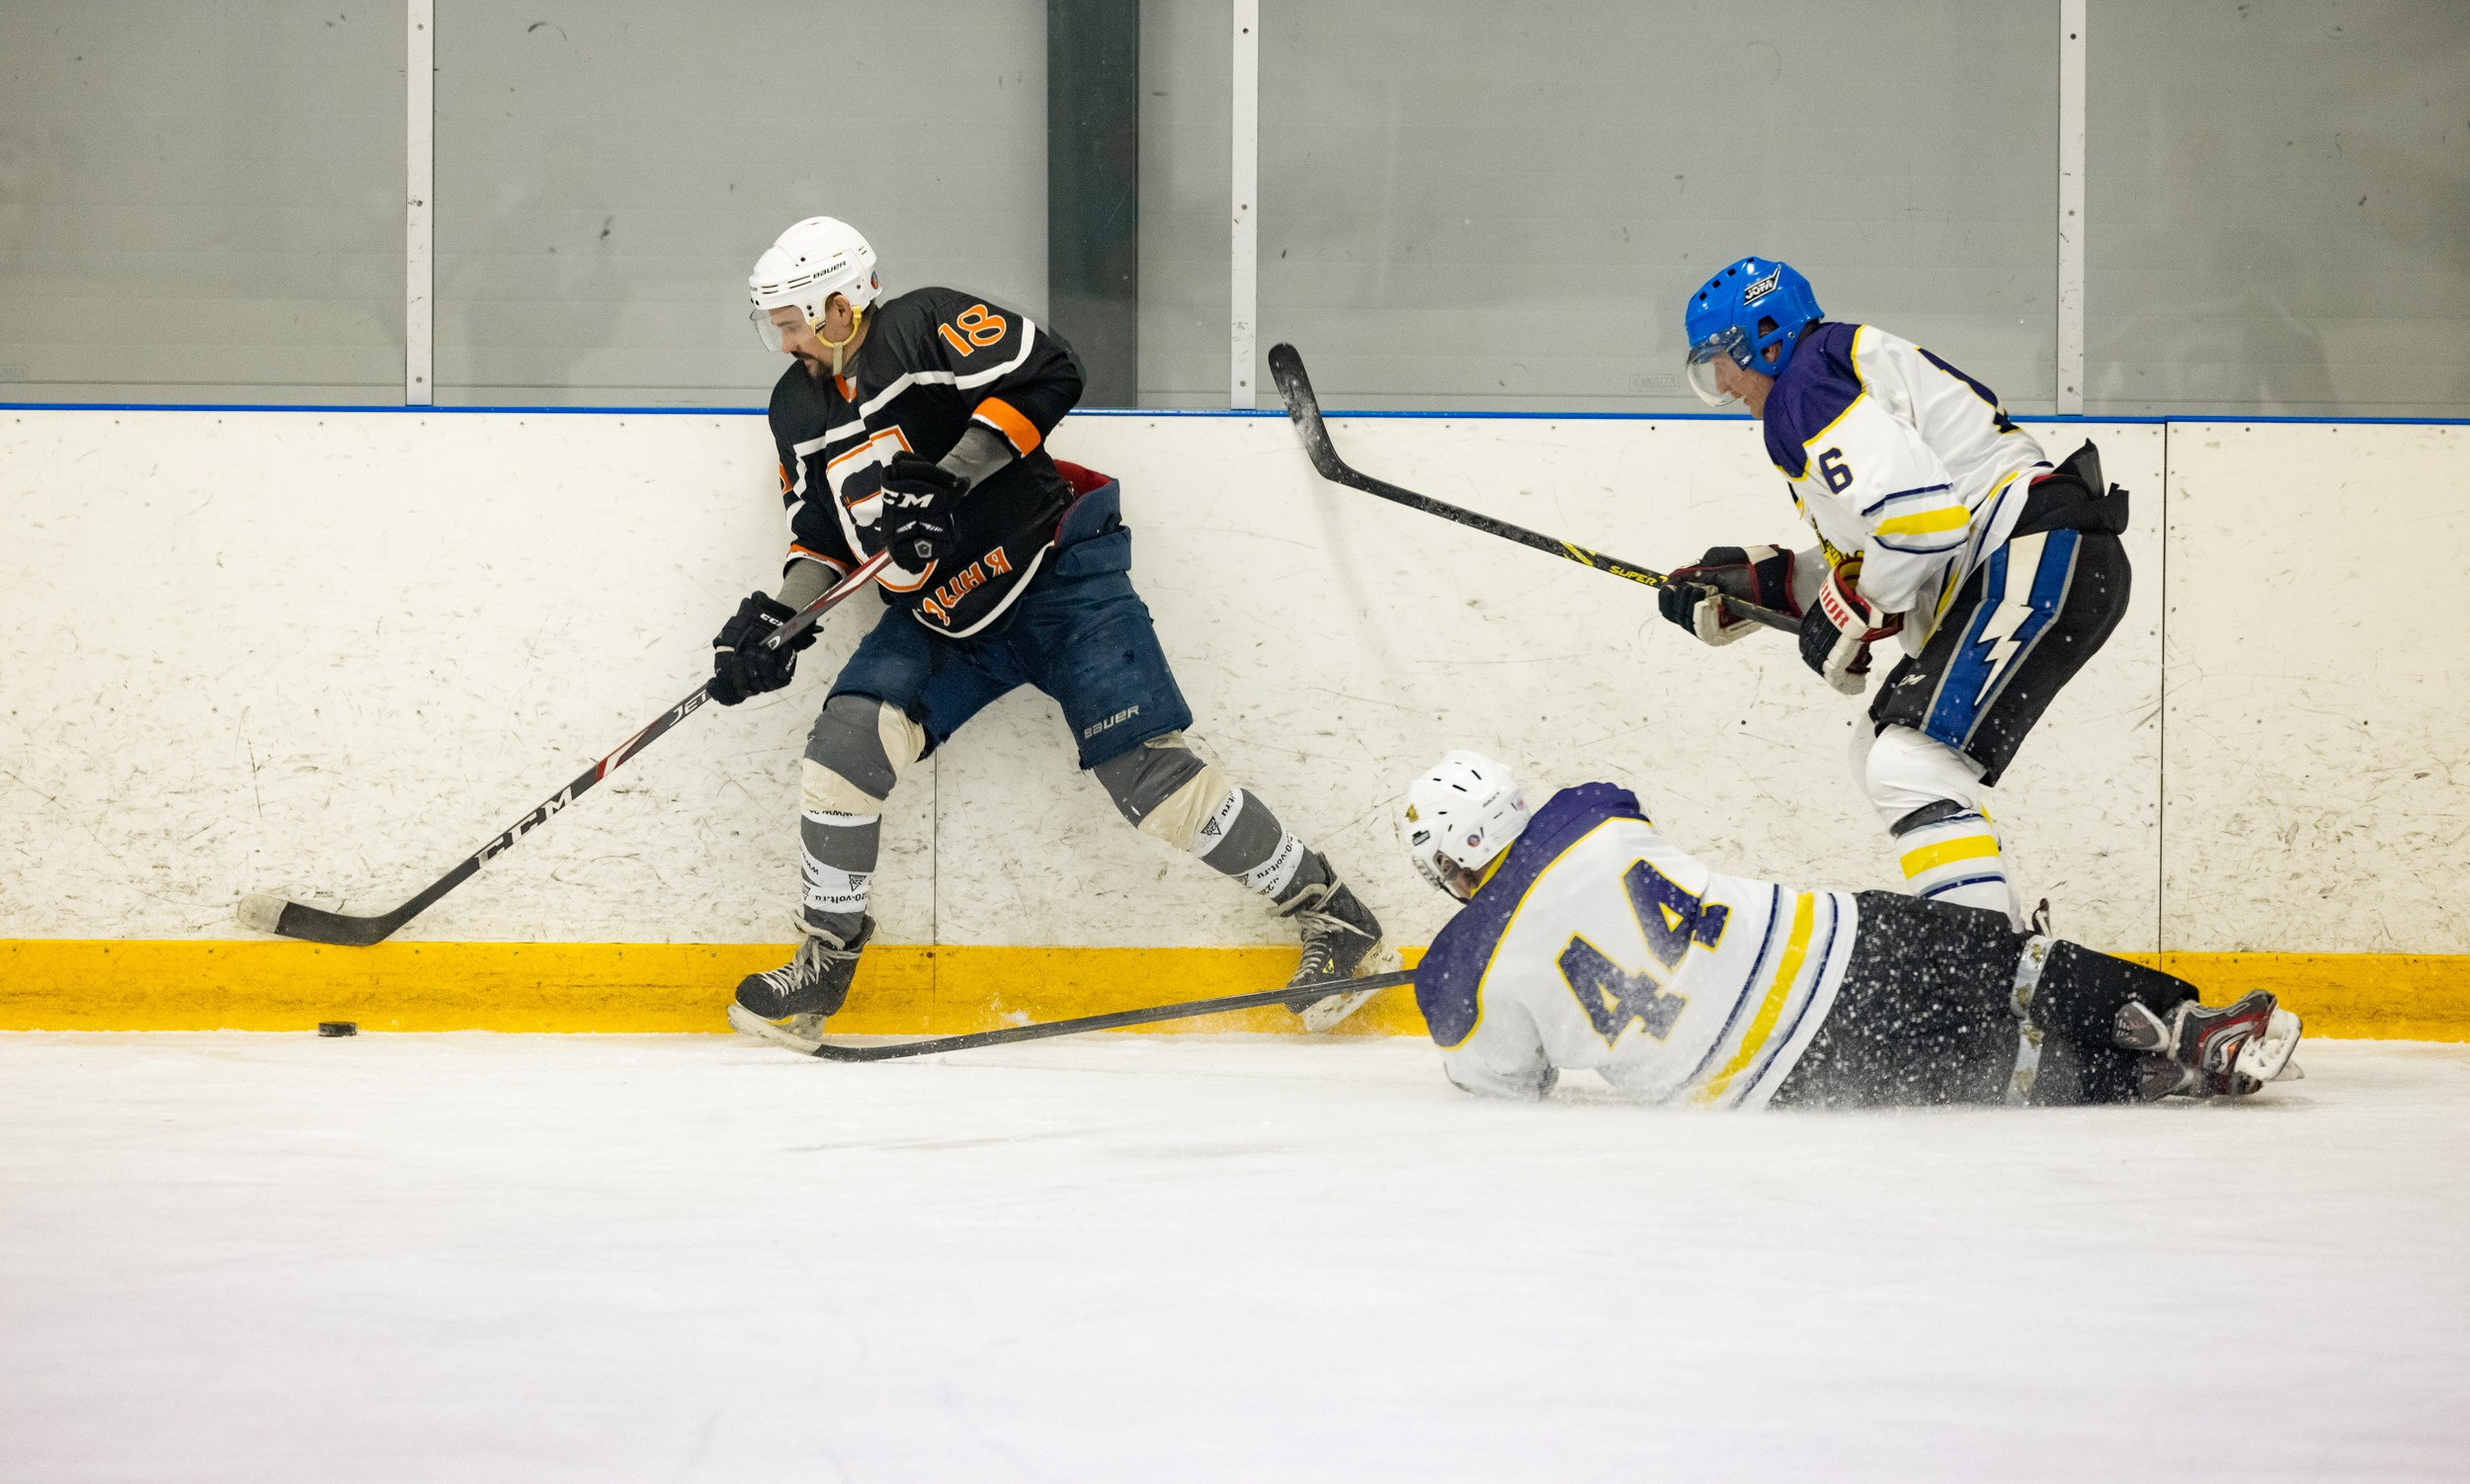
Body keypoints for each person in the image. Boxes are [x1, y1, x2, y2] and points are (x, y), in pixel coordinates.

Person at [710, 216, 1393, 1042]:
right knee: (846, 742)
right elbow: (820, 534)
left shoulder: (926, 323)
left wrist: (948, 476)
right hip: (944, 611)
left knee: (1150, 779)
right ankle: (825, 962)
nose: (784, 343)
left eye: (791, 323)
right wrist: (780, 620)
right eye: (773, 326)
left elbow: (1051, 370)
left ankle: (1332, 911)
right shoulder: (794, 406)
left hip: (1056, 570)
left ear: (841, 305)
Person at [1397, 751, 2300, 1108]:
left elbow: (1507, 1090)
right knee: (2009, 967)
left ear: (1447, 861)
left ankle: (2152, 1074)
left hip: (1771, 1081)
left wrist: (1462, 977)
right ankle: (2190, 1022)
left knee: (2001, 1073)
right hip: (1828, 945)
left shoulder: (1453, 974)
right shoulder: (1590, 810)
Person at [1657, 258, 2131, 930]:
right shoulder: (1829, 371)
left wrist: (1849, 614)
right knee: (1881, 746)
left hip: (2039, 552)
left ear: (1761, 339)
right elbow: (1889, 542)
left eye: (1721, 362)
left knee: (1909, 762)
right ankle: (2012, 949)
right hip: (2044, 555)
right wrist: (1765, 586)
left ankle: (1987, 976)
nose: (1726, 385)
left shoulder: (1803, 386)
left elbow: (1923, 524)